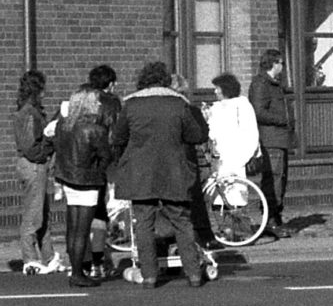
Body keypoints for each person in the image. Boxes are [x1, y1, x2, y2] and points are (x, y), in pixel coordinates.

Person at [110, 62, 212, 289]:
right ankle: (194, 274)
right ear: (165, 80)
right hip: (173, 170)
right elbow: (195, 135)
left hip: (140, 173)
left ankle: (149, 275)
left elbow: (117, 137)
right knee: (182, 221)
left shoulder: (131, 104)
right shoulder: (178, 103)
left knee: (144, 223)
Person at [52, 66, 118, 288]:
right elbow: (106, 155)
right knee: (83, 229)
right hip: (88, 180)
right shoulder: (95, 129)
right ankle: (78, 274)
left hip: (67, 177)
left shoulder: (66, 124)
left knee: (72, 227)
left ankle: (76, 268)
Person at [247, 48, 296, 237]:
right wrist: (282, 119)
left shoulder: (273, 84)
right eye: (281, 63)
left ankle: (276, 217)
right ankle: (270, 220)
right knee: (273, 180)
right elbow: (258, 111)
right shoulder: (261, 84)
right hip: (270, 140)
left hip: (279, 139)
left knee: (280, 179)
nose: (282, 67)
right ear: (273, 63)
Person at [12, 71, 54, 275]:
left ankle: (49, 256)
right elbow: (30, 146)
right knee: (34, 214)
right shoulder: (30, 113)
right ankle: (30, 259)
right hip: (33, 164)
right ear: (37, 90)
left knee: (42, 212)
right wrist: (46, 150)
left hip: (30, 164)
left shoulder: (26, 110)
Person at [205, 73, 260, 185]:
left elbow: (250, 134)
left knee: (235, 195)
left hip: (235, 161)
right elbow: (212, 133)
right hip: (218, 161)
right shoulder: (216, 108)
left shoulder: (242, 106)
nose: (215, 92)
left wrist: (240, 160)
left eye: (217, 88)